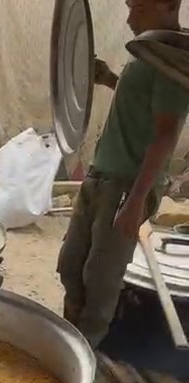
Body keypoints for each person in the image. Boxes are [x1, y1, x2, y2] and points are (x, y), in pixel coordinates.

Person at [58, 0, 189, 347]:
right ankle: (66, 343)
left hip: (125, 185)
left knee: (99, 281)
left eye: (140, 9)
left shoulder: (173, 62)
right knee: (71, 266)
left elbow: (166, 134)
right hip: (101, 175)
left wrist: (136, 201)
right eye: (130, 7)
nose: (130, 18)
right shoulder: (148, 50)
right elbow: (143, 104)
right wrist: (109, 79)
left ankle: (83, 357)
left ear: (170, 6)